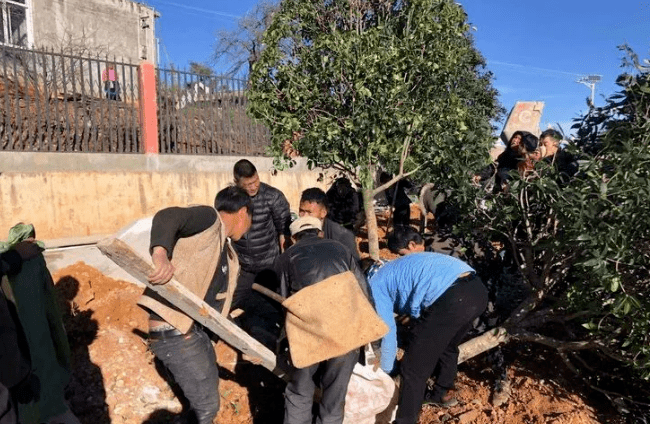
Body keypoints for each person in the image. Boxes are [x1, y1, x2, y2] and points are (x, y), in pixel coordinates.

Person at [142, 186, 253, 424]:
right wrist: (160, 254)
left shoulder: (227, 253)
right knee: (207, 407)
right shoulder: (210, 219)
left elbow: (217, 311)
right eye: (251, 221)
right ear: (243, 212)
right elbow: (168, 215)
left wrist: (244, 343)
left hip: (194, 332)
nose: (249, 229)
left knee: (202, 401)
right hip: (175, 331)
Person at [369, 227, 488, 424]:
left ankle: (405, 420)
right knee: (447, 346)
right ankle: (443, 393)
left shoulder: (375, 283)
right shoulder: (397, 267)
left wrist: (389, 370)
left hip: (453, 299)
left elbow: (387, 334)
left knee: (412, 369)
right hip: (477, 291)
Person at [274, 216, 369, 424]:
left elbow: (284, 303)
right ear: (320, 233)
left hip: (308, 333)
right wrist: (371, 343)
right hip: (346, 333)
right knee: (334, 399)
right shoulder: (342, 249)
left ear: (293, 238)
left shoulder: (285, 258)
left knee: (300, 394)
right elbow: (363, 293)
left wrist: (285, 343)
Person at [298, 188, 360, 260]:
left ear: (323, 213)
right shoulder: (297, 233)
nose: (304, 216)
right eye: (301, 211)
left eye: (309, 212)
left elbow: (354, 266)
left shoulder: (342, 236)